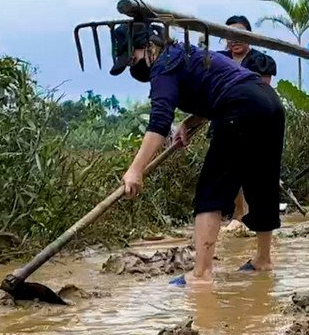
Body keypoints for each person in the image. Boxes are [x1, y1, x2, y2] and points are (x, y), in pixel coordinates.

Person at [114, 21, 286, 282]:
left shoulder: (164, 64)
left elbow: (159, 120)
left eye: (133, 58)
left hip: (239, 106)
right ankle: (263, 260)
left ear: (149, 46)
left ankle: (202, 274)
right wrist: (189, 122)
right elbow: (217, 87)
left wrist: (135, 170)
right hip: (269, 103)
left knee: (210, 191)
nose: (133, 65)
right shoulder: (186, 52)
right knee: (262, 183)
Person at [222, 15, 278, 230]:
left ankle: (257, 215)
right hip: (227, 118)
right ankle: (239, 211)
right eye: (229, 36)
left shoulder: (260, 61)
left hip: (255, 119)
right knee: (231, 166)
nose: (234, 41)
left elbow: (262, 92)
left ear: (249, 37)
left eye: (240, 35)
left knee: (255, 169)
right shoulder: (220, 59)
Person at [224, 15, 278, 83]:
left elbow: (263, 90)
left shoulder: (260, 61)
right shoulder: (219, 58)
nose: (235, 40)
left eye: (240, 34)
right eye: (230, 35)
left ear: (249, 35)